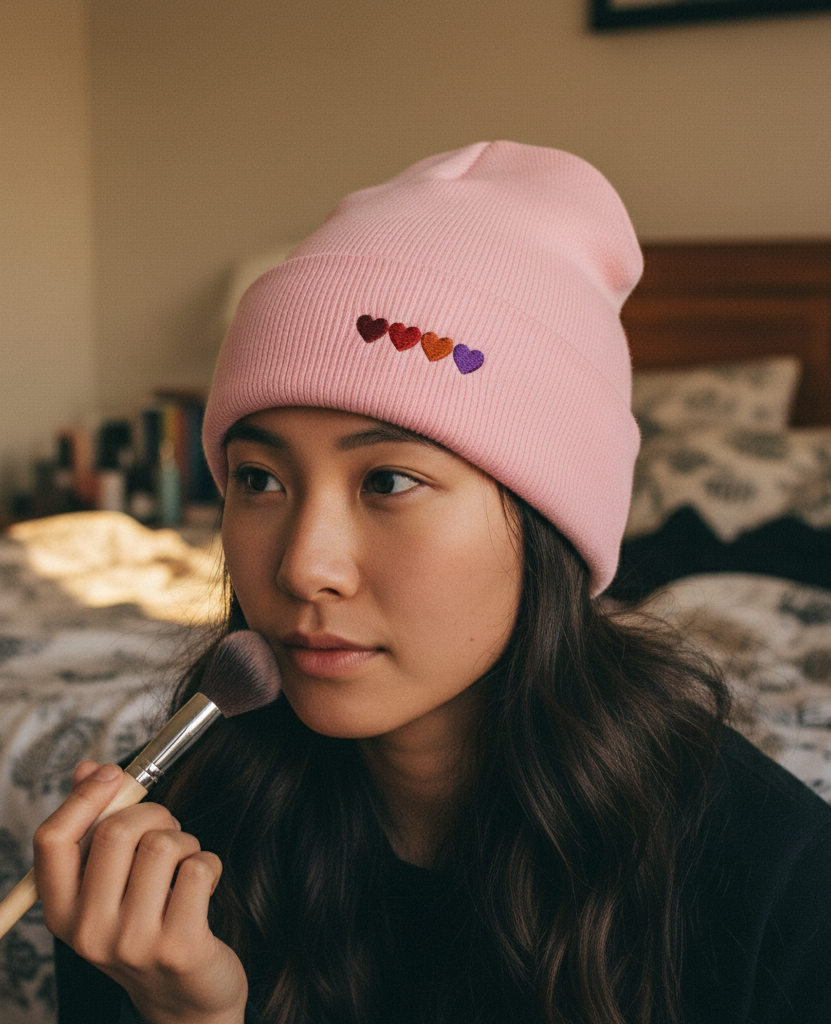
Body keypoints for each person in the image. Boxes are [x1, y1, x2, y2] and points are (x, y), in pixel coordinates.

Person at [35, 142, 831, 1024]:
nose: (303, 565)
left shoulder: (770, 877)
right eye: (260, 479)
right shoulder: (169, 843)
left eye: (388, 481)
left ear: (548, 526)